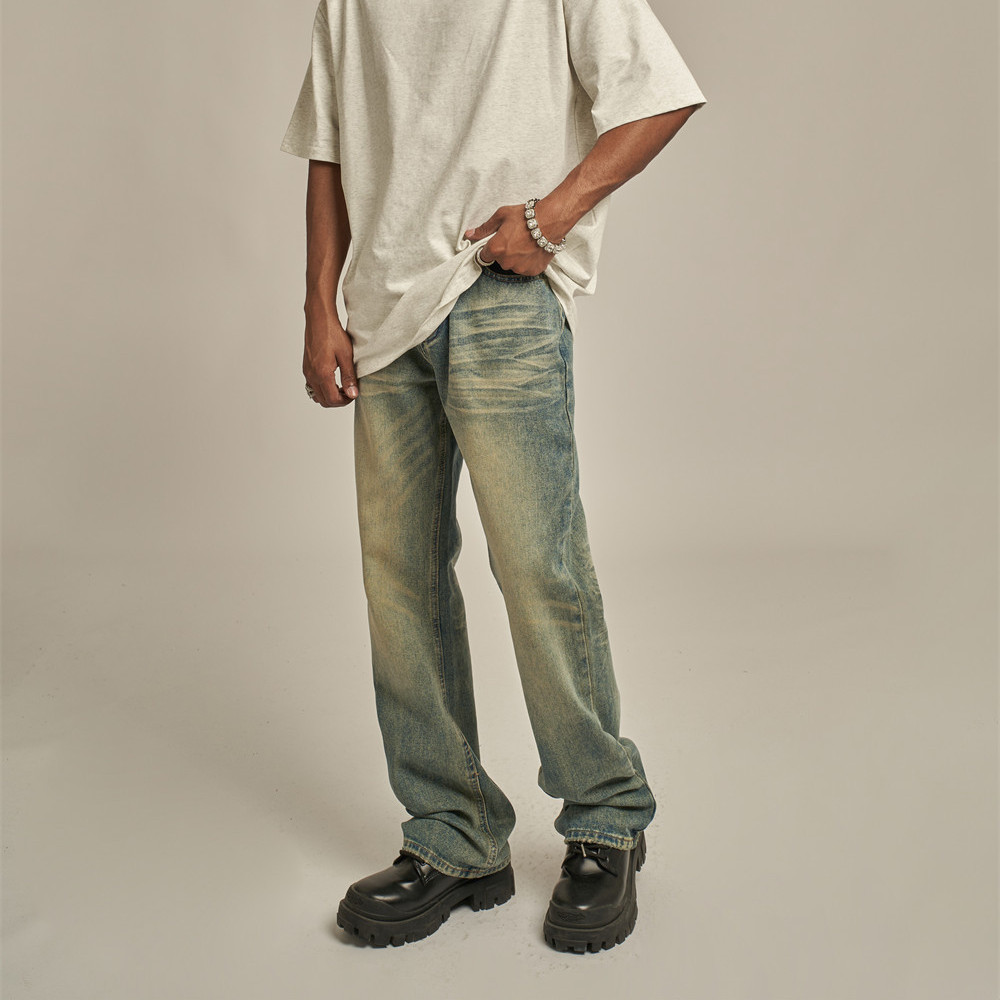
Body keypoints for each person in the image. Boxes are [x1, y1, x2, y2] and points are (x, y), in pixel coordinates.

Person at [280, 0, 707, 953]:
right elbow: (330, 147)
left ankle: (606, 819)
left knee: (538, 567)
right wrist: (319, 307)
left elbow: (661, 94)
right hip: (383, 314)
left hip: (499, 293)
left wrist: (551, 218)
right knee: (401, 584)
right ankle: (455, 834)